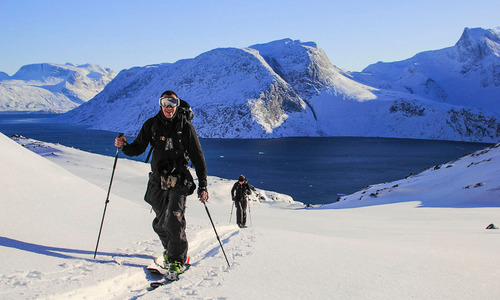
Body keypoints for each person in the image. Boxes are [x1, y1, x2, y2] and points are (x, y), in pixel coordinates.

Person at [114, 90, 208, 277]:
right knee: (159, 223)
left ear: (177, 105)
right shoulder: (152, 125)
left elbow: (198, 158)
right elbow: (137, 148)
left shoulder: (186, 127)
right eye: (165, 102)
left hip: (179, 181)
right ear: (160, 104)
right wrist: (123, 146)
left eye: (172, 103)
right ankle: (171, 251)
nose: (168, 107)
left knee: (173, 220)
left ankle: (176, 261)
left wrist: (203, 185)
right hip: (158, 180)